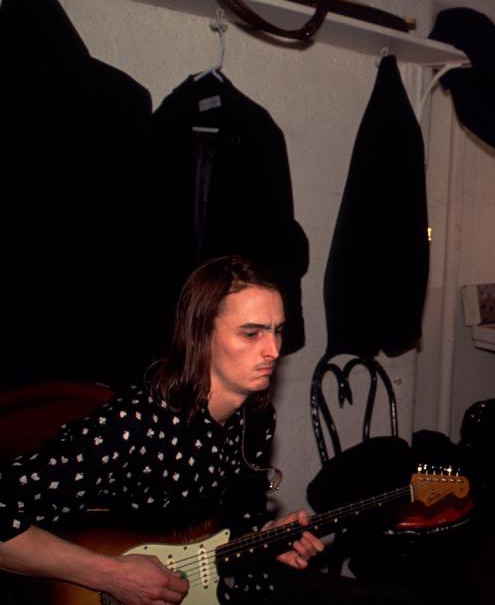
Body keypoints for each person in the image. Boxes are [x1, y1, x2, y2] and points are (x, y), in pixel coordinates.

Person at [0, 255, 323, 604]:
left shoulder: (256, 420)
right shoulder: (133, 426)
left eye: (277, 331)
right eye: (251, 333)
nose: (273, 350)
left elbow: (225, 532)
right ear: (201, 335)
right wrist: (110, 574)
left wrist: (262, 540)